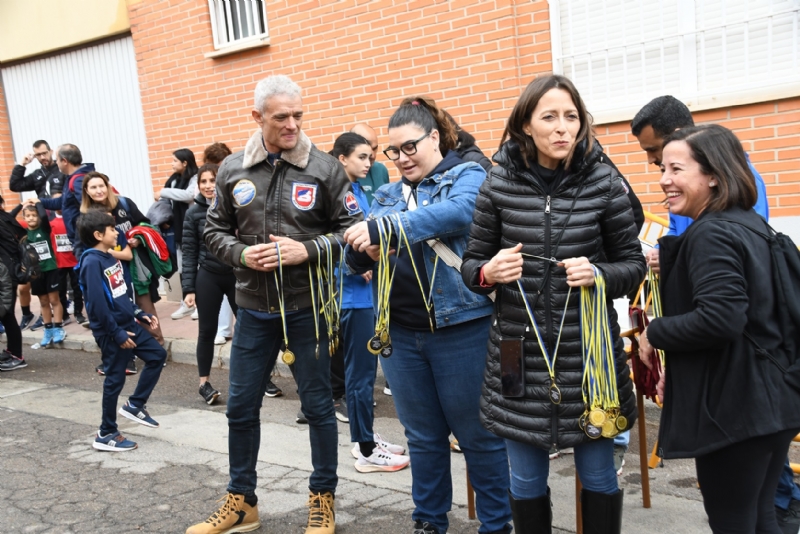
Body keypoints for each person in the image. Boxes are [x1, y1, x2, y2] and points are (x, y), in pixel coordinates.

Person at [460, 74, 645, 533]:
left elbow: (633, 266)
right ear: (526, 125)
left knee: (600, 477)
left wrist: (599, 274)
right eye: (549, 117)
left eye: (571, 117)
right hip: (516, 356)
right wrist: (489, 272)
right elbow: (471, 267)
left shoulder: (604, 181)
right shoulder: (497, 183)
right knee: (524, 482)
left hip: (590, 357)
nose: (563, 128)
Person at [188, 74, 362, 534]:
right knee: (240, 409)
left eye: (298, 116)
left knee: (319, 408)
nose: (292, 125)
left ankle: (322, 499)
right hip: (253, 310)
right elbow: (212, 231)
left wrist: (310, 248)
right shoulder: (231, 170)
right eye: (281, 116)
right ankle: (242, 503)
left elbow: (353, 233)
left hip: (308, 309)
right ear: (257, 117)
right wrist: (241, 254)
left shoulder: (326, 169)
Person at [344, 96, 513, 534]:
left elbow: (457, 214)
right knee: (422, 438)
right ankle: (429, 521)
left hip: (462, 329)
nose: (401, 159)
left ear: (434, 137)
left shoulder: (468, 175)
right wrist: (360, 253)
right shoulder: (385, 192)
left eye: (410, 147)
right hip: (399, 336)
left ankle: (497, 525)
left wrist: (386, 229)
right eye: (392, 152)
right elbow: (359, 252)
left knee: (479, 437)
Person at [638, 124, 800, 533]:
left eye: (676, 169)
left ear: (713, 174)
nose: (664, 180)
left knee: (733, 523)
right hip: (776, 399)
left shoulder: (711, 233)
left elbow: (721, 318)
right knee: (762, 517)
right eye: (663, 168)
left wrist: (654, 332)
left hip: (737, 409)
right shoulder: (751, 224)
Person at [330, 132, 410, 473]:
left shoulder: (357, 192)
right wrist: (352, 267)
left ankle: (365, 437)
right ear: (341, 158)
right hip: (353, 298)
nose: (369, 163)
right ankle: (365, 450)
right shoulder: (334, 195)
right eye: (362, 157)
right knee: (360, 376)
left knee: (362, 374)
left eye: (371, 156)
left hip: (368, 297)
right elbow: (331, 245)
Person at [77, 209, 166, 451]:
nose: (117, 232)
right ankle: (106, 433)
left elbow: (120, 295)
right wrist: (115, 332)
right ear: (98, 234)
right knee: (114, 380)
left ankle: (135, 405)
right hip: (111, 331)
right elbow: (95, 304)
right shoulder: (92, 261)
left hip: (127, 325)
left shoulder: (110, 256)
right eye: (112, 229)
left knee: (157, 356)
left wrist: (140, 314)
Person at [80, 171, 164, 373]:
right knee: (114, 308)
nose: (99, 190)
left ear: (108, 186)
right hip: (108, 270)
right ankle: (125, 358)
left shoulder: (124, 204)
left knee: (144, 306)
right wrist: (110, 253)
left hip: (135, 269)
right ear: (86, 191)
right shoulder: (85, 218)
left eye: (102, 185)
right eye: (93, 187)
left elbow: (146, 224)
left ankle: (156, 349)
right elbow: (83, 246)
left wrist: (138, 237)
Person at [181, 163, 237, 405]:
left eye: (212, 181)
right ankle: (204, 384)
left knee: (250, 329)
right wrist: (188, 288)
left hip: (236, 274)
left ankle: (260, 378)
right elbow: (190, 252)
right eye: (203, 181)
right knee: (206, 332)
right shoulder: (192, 213)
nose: (207, 186)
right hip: (208, 276)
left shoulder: (235, 208)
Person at [202, 142, 238, 348]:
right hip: (214, 260)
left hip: (235, 253)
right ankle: (223, 329)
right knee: (221, 297)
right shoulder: (200, 206)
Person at [158, 149, 199, 321]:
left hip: (193, 228)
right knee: (183, 268)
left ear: (185, 162)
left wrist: (163, 192)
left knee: (197, 267)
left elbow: (188, 196)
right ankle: (186, 304)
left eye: (175, 161)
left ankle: (199, 304)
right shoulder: (173, 180)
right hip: (178, 231)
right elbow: (167, 200)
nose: (172, 164)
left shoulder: (196, 178)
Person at [38, 144, 96, 258]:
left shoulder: (78, 180)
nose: (56, 163)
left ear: (64, 161)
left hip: (84, 242)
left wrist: (79, 242)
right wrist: (38, 201)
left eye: (57, 160)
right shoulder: (73, 178)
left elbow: (88, 211)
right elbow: (63, 202)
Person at [22, 200, 66, 347]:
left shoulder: (44, 229)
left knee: (54, 299)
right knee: (43, 301)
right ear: (24, 218)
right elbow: (10, 218)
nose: (31, 218)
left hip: (50, 269)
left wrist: (38, 203)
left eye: (34, 215)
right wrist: (21, 205)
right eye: (27, 216)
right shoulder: (24, 234)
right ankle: (47, 329)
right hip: (36, 273)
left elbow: (44, 216)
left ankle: (58, 327)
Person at [0, 195, 28, 371]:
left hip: (5, 274)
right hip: (11, 271)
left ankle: (17, 356)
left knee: (6, 314)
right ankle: (12, 351)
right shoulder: (7, 219)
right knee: (6, 314)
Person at [350, 123, 390, 205]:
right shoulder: (339, 175)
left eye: (375, 148)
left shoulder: (381, 170)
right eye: (367, 148)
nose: (373, 155)